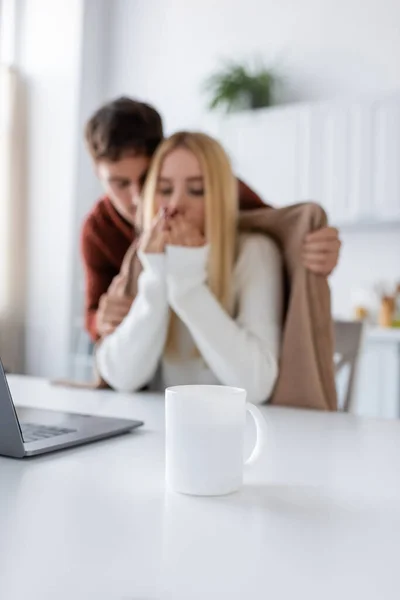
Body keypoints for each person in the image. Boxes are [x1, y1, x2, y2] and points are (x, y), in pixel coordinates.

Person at [82, 97, 341, 342]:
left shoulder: (215, 191)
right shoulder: (98, 230)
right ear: (96, 174)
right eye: (120, 183)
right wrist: (102, 320)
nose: (137, 197)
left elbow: (278, 226)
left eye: (148, 178)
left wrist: (312, 247)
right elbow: (93, 314)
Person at [96, 132, 283, 403]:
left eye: (196, 190)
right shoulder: (146, 257)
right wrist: (157, 276)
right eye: (165, 189)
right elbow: (122, 376)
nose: (176, 205)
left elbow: (256, 386)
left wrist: (188, 285)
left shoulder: (254, 252)